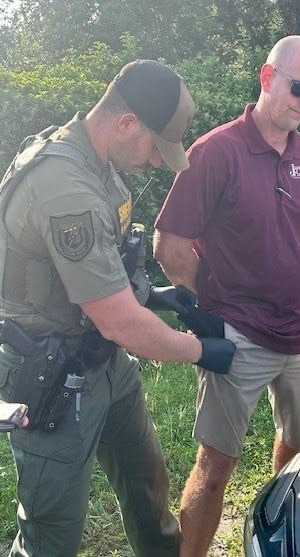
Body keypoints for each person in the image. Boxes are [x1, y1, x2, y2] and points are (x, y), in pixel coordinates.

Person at [0, 59, 234, 557]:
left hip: (104, 362)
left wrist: (163, 298)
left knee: (148, 487)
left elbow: (110, 264)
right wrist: (200, 350)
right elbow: (120, 321)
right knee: (51, 533)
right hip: (50, 377)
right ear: (127, 123)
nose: (155, 162)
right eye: (155, 147)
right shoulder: (65, 186)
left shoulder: (99, 162)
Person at [153, 35, 300, 556]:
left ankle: (278, 540)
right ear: (266, 77)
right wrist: (215, 307)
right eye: (298, 87)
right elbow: (170, 247)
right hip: (238, 337)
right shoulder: (215, 152)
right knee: (215, 469)